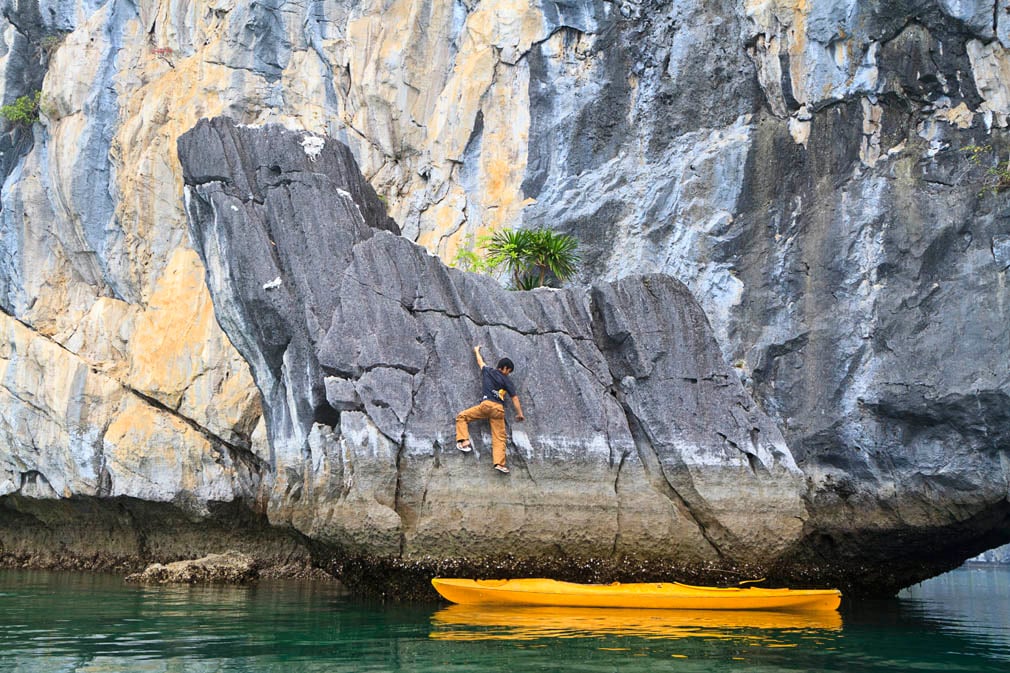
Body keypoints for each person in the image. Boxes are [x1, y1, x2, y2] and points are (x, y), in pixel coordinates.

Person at [455, 345, 525, 474]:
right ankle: (500, 464)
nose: (508, 373)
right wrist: (520, 414)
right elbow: (515, 398)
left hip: (486, 405)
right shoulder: (507, 380)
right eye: (508, 371)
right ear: (505, 368)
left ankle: (464, 441)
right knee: (499, 437)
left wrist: (476, 351)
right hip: (498, 410)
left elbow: (480, 362)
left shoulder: (488, 371)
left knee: (462, 416)